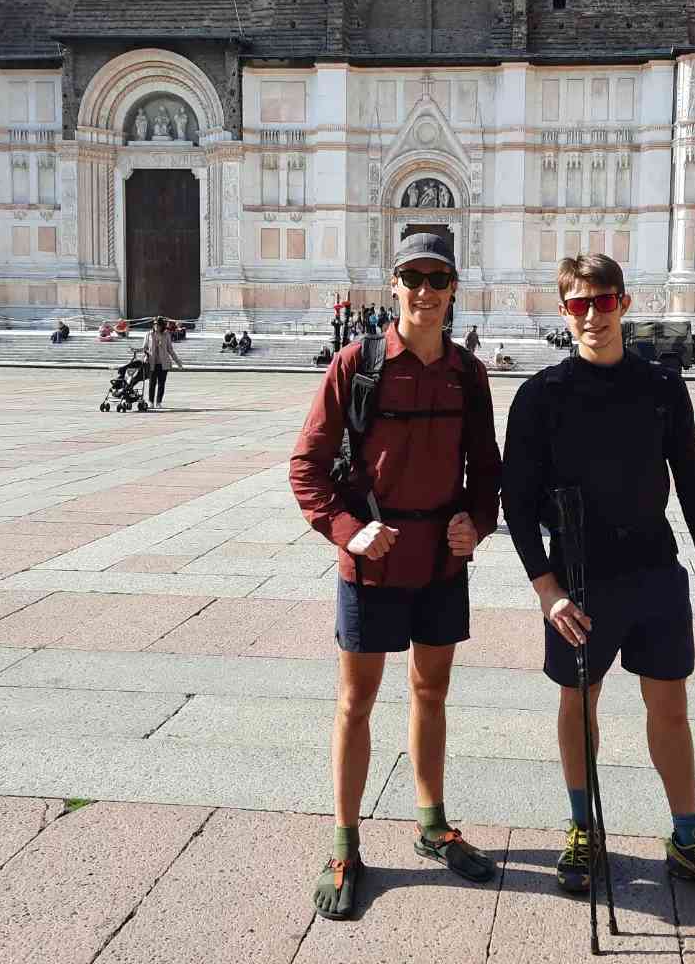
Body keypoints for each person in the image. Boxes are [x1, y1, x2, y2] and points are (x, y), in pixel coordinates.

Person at [501, 253, 695, 905]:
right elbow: (516, 505)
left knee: (670, 707)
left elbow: (693, 481)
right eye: (579, 304)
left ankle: (688, 835)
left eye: (604, 301)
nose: (593, 315)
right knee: (578, 703)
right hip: (580, 581)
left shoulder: (662, 387)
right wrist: (547, 589)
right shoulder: (540, 396)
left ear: (624, 303)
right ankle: (583, 827)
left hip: (655, 574)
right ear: (564, 312)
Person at [289, 232, 502, 921]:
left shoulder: (469, 373)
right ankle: (344, 844)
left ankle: (432, 825)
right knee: (356, 702)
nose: (425, 291)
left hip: (440, 562)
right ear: (394, 285)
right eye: (413, 278)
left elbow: (487, 469)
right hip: (372, 563)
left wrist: (478, 522)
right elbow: (307, 467)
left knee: (431, 692)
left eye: (437, 279)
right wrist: (347, 530)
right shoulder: (358, 364)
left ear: (453, 288)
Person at [142, 315, 184, 408]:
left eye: (158, 325)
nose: (156, 326)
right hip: (152, 362)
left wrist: (178, 362)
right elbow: (144, 348)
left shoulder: (166, 335)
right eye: (155, 324)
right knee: (152, 383)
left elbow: (170, 350)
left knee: (161, 383)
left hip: (163, 363)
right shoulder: (149, 334)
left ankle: (159, 402)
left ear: (162, 326)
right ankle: (151, 401)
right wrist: (145, 356)